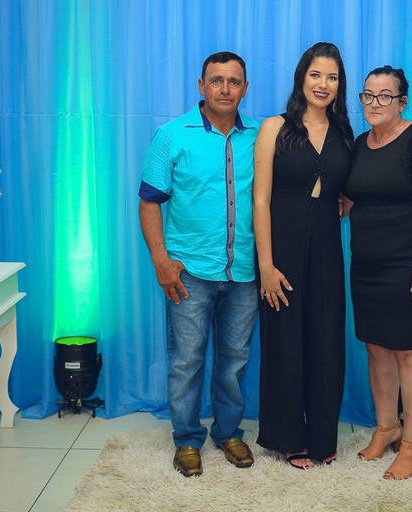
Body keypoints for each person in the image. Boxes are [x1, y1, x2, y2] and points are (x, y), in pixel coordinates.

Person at [139, 51, 259, 477]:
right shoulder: (171, 136)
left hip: (244, 272)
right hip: (188, 273)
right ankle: (187, 439)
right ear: (201, 85)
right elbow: (149, 202)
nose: (225, 89)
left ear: (245, 88)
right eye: (216, 81)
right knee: (186, 361)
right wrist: (161, 260)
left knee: (234, 360)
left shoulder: (260, 136)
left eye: (234, 81)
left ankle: (228, 432)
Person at [343, 65, 412, 480]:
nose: (375, 103)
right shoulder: (360, 144)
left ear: (402, 102)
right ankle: (387, 428)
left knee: (410, 352)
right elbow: (351, 199)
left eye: (385, 96)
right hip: (368, 267)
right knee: (376, 348)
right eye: (368, 95)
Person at [253, 42, 354, 469]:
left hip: (328, 248)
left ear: (340, 84)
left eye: (332, 77)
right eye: (316, 75)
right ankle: (289, 437)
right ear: (301, 78)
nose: (323, 84)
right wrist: (266, 265)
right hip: (283, 249)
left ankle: (321, 437)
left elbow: (351, 189)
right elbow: (260, 200)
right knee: (285, 343)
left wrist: (343, 202)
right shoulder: (274, 128)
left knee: (326, 342)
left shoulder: (345, 133)